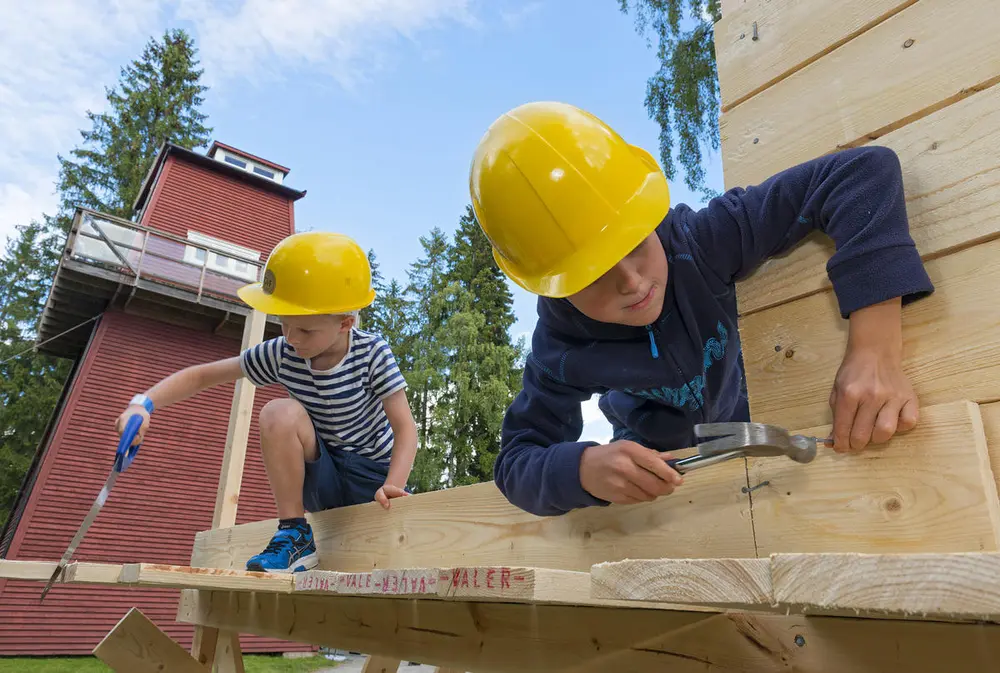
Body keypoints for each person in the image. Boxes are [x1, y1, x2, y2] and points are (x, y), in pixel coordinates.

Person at [469, 101, 934, 517]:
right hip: (658, 485)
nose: (631, 282)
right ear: (552, 285)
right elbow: (516, 462)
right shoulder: (561, 346)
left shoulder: (703, 243)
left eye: (633, 242)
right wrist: (583, 469)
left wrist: (875, 349)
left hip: (750, 441)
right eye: (591, 275)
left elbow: (862, 174)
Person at [113, 231, 417, 572]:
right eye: (283, 324)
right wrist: (143, 402)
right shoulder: (283, 354)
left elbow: (405, 429)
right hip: (324, 477)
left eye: (305, 330)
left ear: (345, 323)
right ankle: (294, 534)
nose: (290, 338)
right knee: (278, 412)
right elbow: (202, 376)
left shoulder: (371, 353)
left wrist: (394, 485)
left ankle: (361, 507)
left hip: (371, 480)